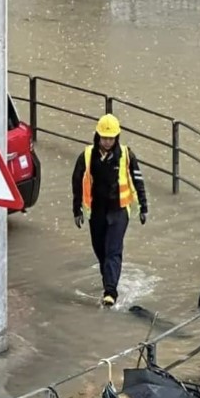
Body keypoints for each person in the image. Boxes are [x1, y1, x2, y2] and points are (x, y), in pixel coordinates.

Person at [71, 114, 148, 307]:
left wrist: (144, 206)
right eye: (105, 138)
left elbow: (138, 180)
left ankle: (111, 292)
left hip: (119, 211)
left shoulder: (126, 155)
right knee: (101, 251)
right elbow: (77, 182)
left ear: (117, 137)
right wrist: (77, 209)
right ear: (98, 136)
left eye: (111, 138)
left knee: (113, 250)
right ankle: (109, 281)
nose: (107, 141)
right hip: (96, 211)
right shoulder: (87, 156)